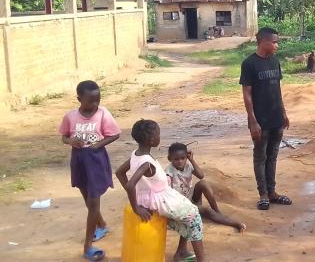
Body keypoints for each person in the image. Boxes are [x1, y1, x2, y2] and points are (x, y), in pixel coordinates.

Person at [116, 120, 206, 262]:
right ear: (152, 140)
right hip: (159, 199)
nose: (160, 137)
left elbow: (119, 173)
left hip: (151, 197)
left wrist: (139, 198)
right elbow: (130, 185)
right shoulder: (147, 163)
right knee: (194, 216)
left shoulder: (136, 154)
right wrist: (136, 208)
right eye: (158, 134)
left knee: (188, 211)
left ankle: (181, 251)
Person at [58, 80, 120, 261]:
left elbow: (114, 134)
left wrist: (98, 145)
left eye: (97, 100)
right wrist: (71, 142)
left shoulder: (103, 114)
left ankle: (88, 247)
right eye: (90, 101)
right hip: (78, 160)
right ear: (79, 99)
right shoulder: (70, 116)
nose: (95, 104)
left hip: (96, 160)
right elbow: (64, 136)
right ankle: (102, 225)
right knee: (86, 196)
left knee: (93, 202)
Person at [240, 27, 292, 211]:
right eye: (275, 42)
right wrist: (252, 120)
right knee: (260, 156)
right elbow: (247, 94)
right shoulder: (249, 64)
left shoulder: (275, 62)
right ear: (263, 42)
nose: (277, 45)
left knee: (273, 156)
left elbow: (277, 90)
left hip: (276, 117)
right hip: (260, 121)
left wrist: (283, 113)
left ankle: (272, 192)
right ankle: (262, 194)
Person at [165, 143, 246, 233]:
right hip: (182, 205)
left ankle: (217, 211)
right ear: (170, 159)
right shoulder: (169, 172)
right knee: (207, 211)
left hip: (190, 198)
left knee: (203, 184)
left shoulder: (188, 165)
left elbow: (201, 175)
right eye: (176, 159)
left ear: (186, 157)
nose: (180, 161)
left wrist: (192, 160)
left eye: (183, 158)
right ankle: (235, 224)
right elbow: (168, 194)